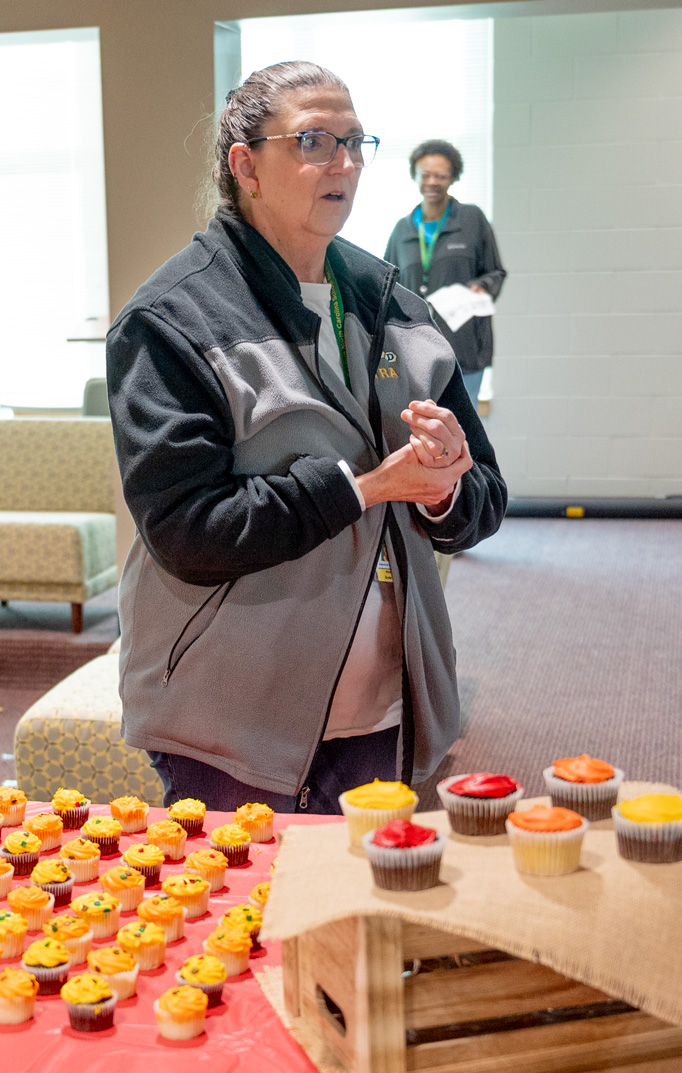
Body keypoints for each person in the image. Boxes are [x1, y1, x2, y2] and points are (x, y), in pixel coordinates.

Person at [105, 62, 506, 814]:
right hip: (230, 723)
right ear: (246, 165)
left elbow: (485, 497)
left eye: (356, 143)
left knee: (357, 924)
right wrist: (362, 488)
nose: (345, 165)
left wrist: (447, 481)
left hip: (389, 710)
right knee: (235, 928)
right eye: (315, 141)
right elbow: (188, 530)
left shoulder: (395, 304)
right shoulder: (170, 321)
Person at [383, 139, 505, 405]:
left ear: (453, 177)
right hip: (415, 349)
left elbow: (495, 272)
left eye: (440, 175)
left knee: (463, 432)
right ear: (415, 176)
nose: (432, 182)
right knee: (420, 430)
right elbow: (386, 286)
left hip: (464, 347)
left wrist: (480, 288)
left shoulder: (472, 219)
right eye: (425, 175)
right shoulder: (402, 229)